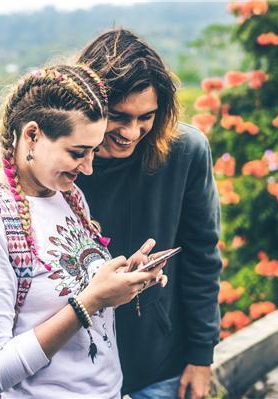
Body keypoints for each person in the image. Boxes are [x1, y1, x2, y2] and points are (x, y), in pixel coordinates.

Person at [0, 64, 166, 398]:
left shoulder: (69, 196)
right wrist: (91, 300)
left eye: (93, 151)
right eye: (76, 153)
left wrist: (122, 282)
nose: (88, 167)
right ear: (32, 135)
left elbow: (74, 291)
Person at [76, 29, 223, 399]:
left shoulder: (185, 152)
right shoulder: (62, 166)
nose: (131, 132)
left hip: (159, 364)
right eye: (118, 117)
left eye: (147, 117)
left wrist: (201, 356)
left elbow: (202, 257)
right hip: (77, 372)